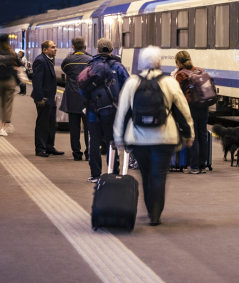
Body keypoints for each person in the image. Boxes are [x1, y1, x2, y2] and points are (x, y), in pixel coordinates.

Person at [114, 46, 194, 226]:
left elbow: (123, 113)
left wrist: (119, 138)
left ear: (141, 62)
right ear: (159, 62)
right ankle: (155, 212)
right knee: (159, 175)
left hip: (139, 138)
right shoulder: (169, 82)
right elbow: (183, 111)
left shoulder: (132, 82)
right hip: (164, 138)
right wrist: (189, 134)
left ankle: (151, 207)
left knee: (145, 175)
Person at [82, 38, 129, 182]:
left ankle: (95, 175)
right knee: (112, 142)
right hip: (112, 112)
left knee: (94, 142)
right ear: (112, 49)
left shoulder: (90, 66)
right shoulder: (119, 67)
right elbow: (128, 88)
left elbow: (82, 88)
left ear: (97, 50)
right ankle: (112, 173)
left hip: (93, 112)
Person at [174, 51, 214, 174]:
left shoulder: (180, 74)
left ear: (178, 62)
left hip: (191, 107)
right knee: (203, 135)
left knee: (193, 135)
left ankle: (194, 166)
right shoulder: (200, 70)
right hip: (204, 106)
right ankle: (202, 166)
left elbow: (178, 93)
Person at [60, 37, 92, 162]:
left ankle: (76, 154)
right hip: (86, 98)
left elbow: (65, 70)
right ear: (85, 46)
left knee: (74, 128)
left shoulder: (68, 60)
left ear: (73, 46)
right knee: (89, 127)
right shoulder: (91, 60)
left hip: (72, 97)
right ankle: (89, 153)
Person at [32, 40, 63, 157]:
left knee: (51, 123)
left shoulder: (48, 59)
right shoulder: (40, 60)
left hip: (50, 97)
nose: (55, 49)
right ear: (45, 49)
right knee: (43, 123)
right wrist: (39, 98)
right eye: (53, 47)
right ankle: (40, 148)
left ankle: (49, 146)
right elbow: (37, 80)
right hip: (43, 98)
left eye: (55, 47)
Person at [0, 35, 23, 136]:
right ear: (8, 41)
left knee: (2, 102)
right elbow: (20, 64)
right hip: (10, 81)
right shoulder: (12, 52)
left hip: (0, 81)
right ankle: (3, 127)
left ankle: (0, 120)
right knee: (8, 104)